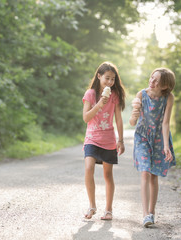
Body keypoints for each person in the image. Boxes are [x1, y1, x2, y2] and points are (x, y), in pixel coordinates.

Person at [129, 67, 176, 227]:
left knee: (154, 175)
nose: (152, 81)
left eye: (156, 80)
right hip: (142, 136)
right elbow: (132, 123)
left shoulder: (168, 98)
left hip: (158, 137)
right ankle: (144, 215)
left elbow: (165, 122)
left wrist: (166, 146)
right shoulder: (141, 95)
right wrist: (133, 116)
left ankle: (151, 212)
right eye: (151, 77)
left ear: (164, 86)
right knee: (145, 173)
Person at [82, 62, 125, 220]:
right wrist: (99, 104)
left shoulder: (115, 96)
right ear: (99, 76)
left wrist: (120, 140)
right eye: (107, 78)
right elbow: (86, 118)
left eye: (113, 79)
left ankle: (108, 210)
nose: (110, 82)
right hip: (92, 138)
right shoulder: (90, 94)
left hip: (108, 140)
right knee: (88, 168)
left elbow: (118, 119)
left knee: (108, 175)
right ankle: (92, 205)